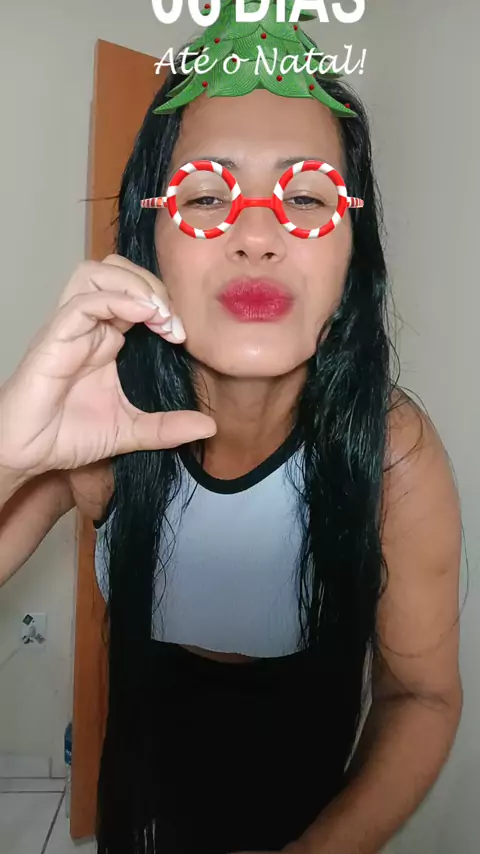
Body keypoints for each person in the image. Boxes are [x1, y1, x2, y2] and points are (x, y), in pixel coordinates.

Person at [0, 10, 462, 854]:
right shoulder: (104, 435)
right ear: (150, 241)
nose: (256, 235)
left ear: (353, 254)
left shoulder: (395, 455)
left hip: (307, 806)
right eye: (206, 196)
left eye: (307, 197)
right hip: (140, 798)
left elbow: (422, 697)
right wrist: (8, 452)